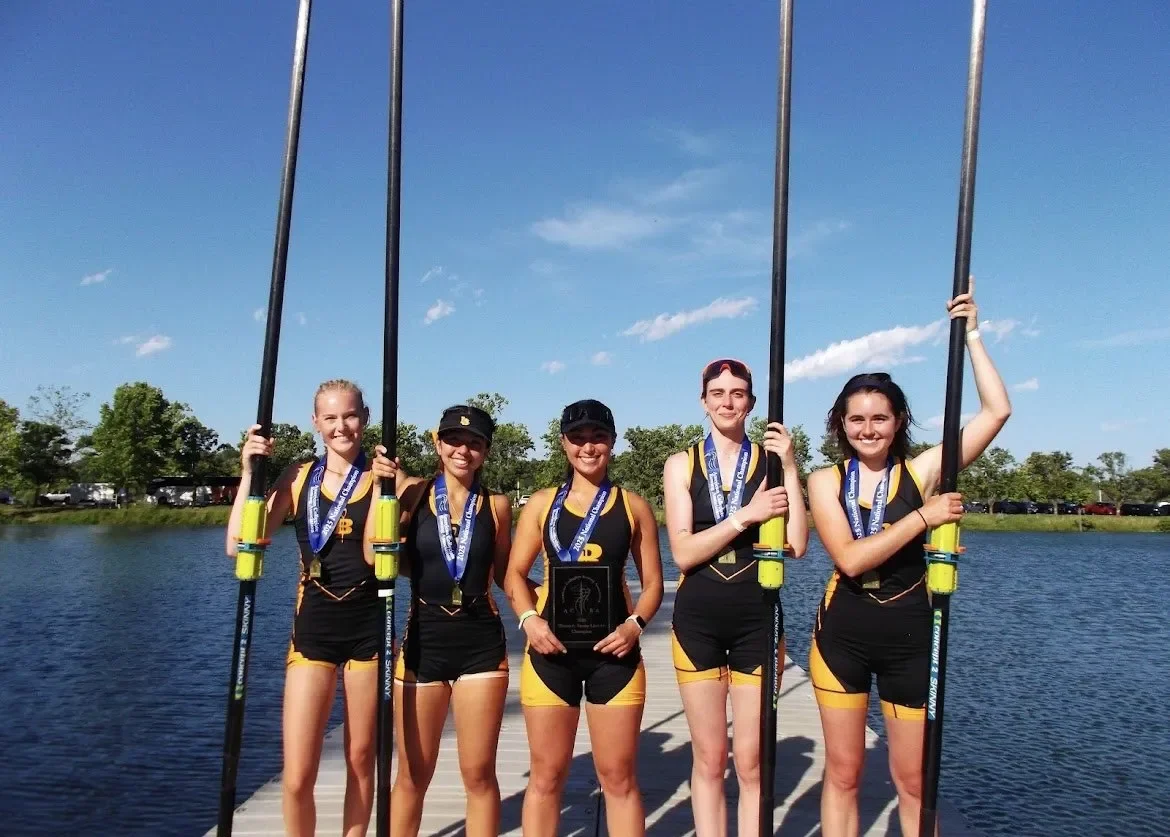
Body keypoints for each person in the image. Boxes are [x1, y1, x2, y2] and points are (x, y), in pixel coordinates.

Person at [806, 281, 1011, 837]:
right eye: (856, 420)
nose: (868, 430)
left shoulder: (919, 474)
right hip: (841, 637)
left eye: (879, 418)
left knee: (913, 781)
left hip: (910, 638)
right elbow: (848, 560)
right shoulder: (823, 481)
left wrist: (971, 335)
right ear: (840, 426)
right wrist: (925, 519)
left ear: (898, 421)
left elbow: (997, 411)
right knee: (844, 776)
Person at [661, 358, 809, 837]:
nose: (728, 402)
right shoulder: (682, 463)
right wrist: (745, 517)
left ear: (751, 402)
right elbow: (683, 552)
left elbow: (799, 544)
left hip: (757, 622)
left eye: (738, 393)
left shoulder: (770, 463)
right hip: (698, 622)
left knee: (750, 762)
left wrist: (788, 463)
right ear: (703, 402)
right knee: (709, 758)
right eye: (718, 393)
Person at [225, 379, 379, 837]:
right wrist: (250, 472)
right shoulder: (297, 477)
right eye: (330, 418)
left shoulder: (383, 475)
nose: (341, 426)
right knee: (297, 773)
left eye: (349, 416)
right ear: (316, 423)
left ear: (365, 418)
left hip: (369, 633)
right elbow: (238, 544)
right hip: (312, 632)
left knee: (360, 760)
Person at [504, 398, 664, 837]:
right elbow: (514, 575)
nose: (588, 447)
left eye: (598, 437)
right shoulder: (540, 505)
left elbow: (653, 585)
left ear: (612, 442)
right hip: (550, 656)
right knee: (546, 779)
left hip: (614, 660)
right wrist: (529, 621)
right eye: (578, 438)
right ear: (563, 444)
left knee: (618, 780)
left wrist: (635, 626)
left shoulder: (633, 506)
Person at [367, 404, 513, 837]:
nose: (462, 450)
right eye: (453, 440)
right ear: (438, 442)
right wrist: (381, 489)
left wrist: (550, 604)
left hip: (481, 645)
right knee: (413, 776)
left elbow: (506, 574)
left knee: (479, 774)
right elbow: (375, 557)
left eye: (474, 443)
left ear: (485, 450)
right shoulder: (409, 492)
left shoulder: (498, 505)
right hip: (422, 645)